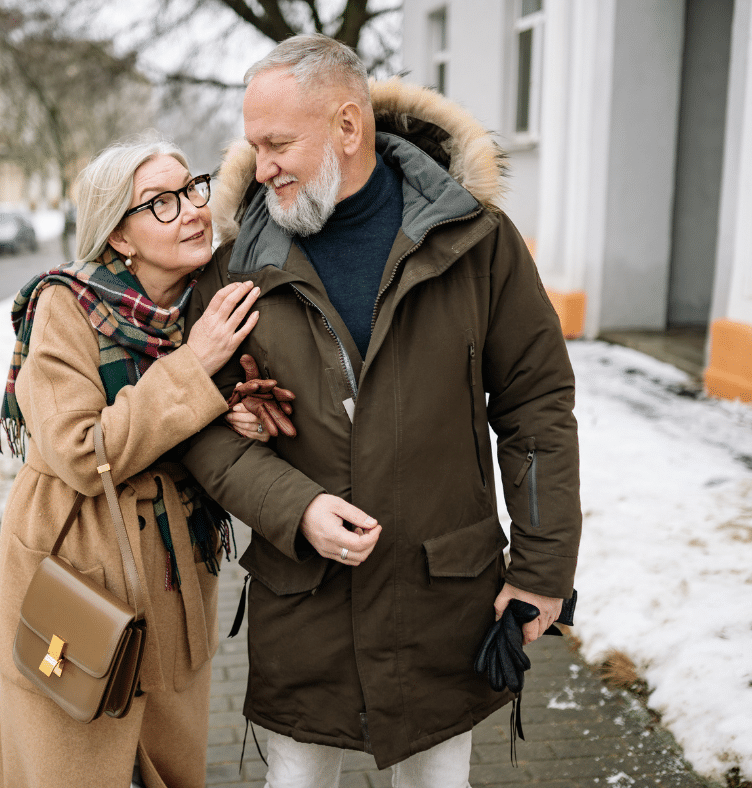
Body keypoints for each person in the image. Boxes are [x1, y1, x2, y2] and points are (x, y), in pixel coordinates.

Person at [183, 34, 582, 788]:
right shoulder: (235, 263)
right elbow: (198, 424)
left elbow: (536, 405)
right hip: (304, 604)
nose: (261, 167)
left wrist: (542, 570)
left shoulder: (476, 240)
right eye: (253, 145)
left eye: (278, 143)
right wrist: (294, 507)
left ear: (346, 126)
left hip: (442, 600)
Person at [0, 136, 269, 788]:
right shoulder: (65, 307)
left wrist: (235, 417)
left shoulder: (200, 303)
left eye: (190, 189)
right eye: (160, 203)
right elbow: (83, 452)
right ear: (120, 237)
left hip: (172, 565)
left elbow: (183, 421)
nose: (193, 209)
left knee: (164, 757)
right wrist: (196, 368)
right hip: (76, 561)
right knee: (75, 753)